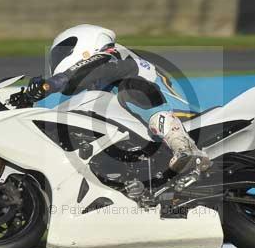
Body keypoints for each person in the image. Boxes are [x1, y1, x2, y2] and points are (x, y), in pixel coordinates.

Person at [11, 24, 210, 174]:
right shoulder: (101, 81)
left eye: (62, 53)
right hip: (147, 131)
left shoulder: (114, 55)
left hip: (183, 117)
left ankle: (183, 145)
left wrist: (50, 84)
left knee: (129, 88)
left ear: (84, 43)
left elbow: (84, 72)